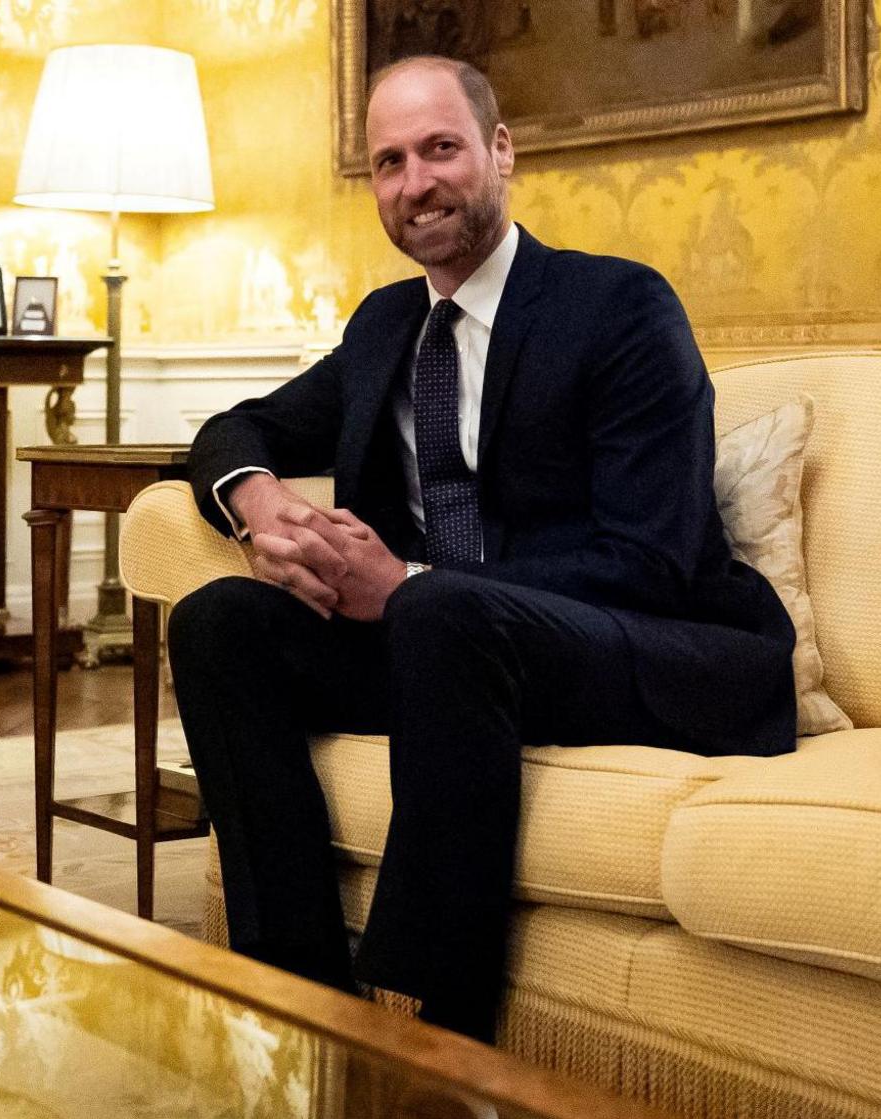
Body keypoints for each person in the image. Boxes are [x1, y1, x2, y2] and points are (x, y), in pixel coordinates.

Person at [169, 56, 795, 1043]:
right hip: (449, 655)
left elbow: (652, 558)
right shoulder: (385, 327)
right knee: (218, 622)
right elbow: (234, 426)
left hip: (642, 644)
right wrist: (254, 502)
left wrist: (407, 581)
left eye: (438, 149)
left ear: (499, 152)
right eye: (386, 161)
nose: (413, 182)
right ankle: (288, 1000)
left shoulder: (618, 308)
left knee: (434, 608)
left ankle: (418, 1033)